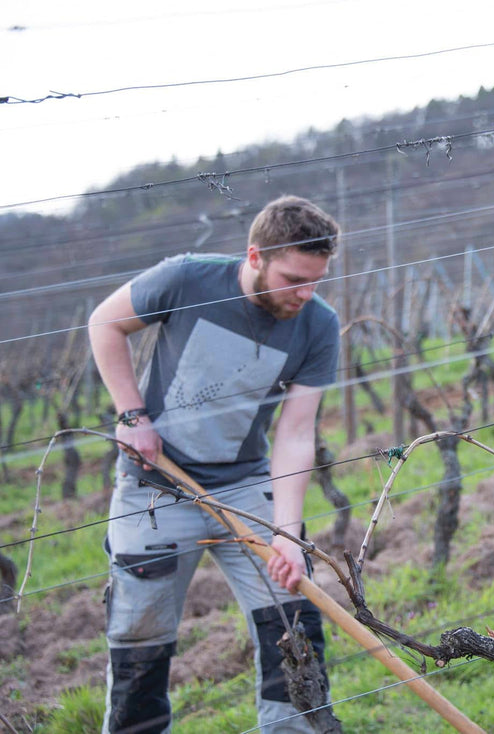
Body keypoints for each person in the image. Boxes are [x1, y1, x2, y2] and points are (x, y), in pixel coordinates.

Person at [88, 195, 342, 733]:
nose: (305, 294)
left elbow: (296, 434)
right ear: (254, 256)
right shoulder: (186, 279)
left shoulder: (318, 324)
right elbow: (104, 323)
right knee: (139, 639)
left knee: (293, 616)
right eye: (294, 279)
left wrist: (287, 535)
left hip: (244, 484)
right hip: (154, 486)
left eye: (316, 281)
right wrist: (132, 414)